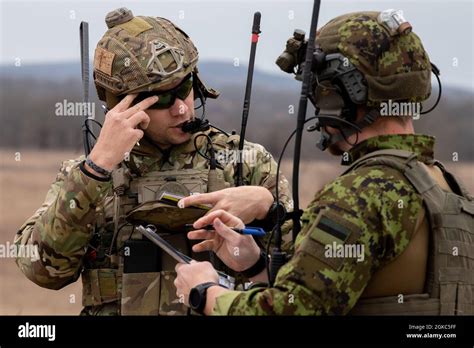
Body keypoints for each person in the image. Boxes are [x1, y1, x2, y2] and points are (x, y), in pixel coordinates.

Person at [174, 10, 474, 315]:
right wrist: (256, 267)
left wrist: (205, 294)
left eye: (319, 92)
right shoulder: (450, 188)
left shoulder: (362, 193)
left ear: (341, 94)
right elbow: (335, 293)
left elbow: (294, 311)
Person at [14, 7, 292, 316]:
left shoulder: (244, 163)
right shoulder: (88, 177)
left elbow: (302, 285)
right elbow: (42, 271)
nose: (181, 110)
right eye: (161, 98)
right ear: (122, 104)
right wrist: (96, 170)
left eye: (184, 88)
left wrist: (269, 208)